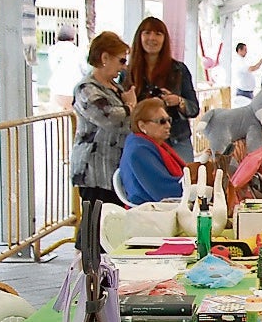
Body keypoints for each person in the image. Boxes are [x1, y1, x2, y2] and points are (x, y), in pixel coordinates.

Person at [71, 31, 135, 209]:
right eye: (121, 61)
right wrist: (130, 106)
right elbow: (109, 117)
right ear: (105, 57)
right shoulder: (86, 88)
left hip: (115, 168)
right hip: (94, 172)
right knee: (95, 225)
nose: (124, 67)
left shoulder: (115, 88)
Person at [126, 17, 199, 162]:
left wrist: (178, 101)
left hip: (177, 141)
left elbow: (194, 109)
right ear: (139, 36)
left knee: (184, 182)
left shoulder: (179, 70)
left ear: (165, 39)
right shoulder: (127, 72)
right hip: (142, 142)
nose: (152, 38)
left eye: (158, 34)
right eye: (147, 33)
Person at [119, 97, 185, 205]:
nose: (168, 126)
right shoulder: (139, 150)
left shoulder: (149, 143)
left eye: (169, 120)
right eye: (162, 121)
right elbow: (163, 192)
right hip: (149, 212)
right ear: (142, 126)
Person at [47, 25, 84, 111]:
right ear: (73, 37)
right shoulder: (77, 51)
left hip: (57, 88)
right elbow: (83, 69)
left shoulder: (52, 50)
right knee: (73, 118)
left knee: (58, 119)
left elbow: (53, 67)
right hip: (73, 88)